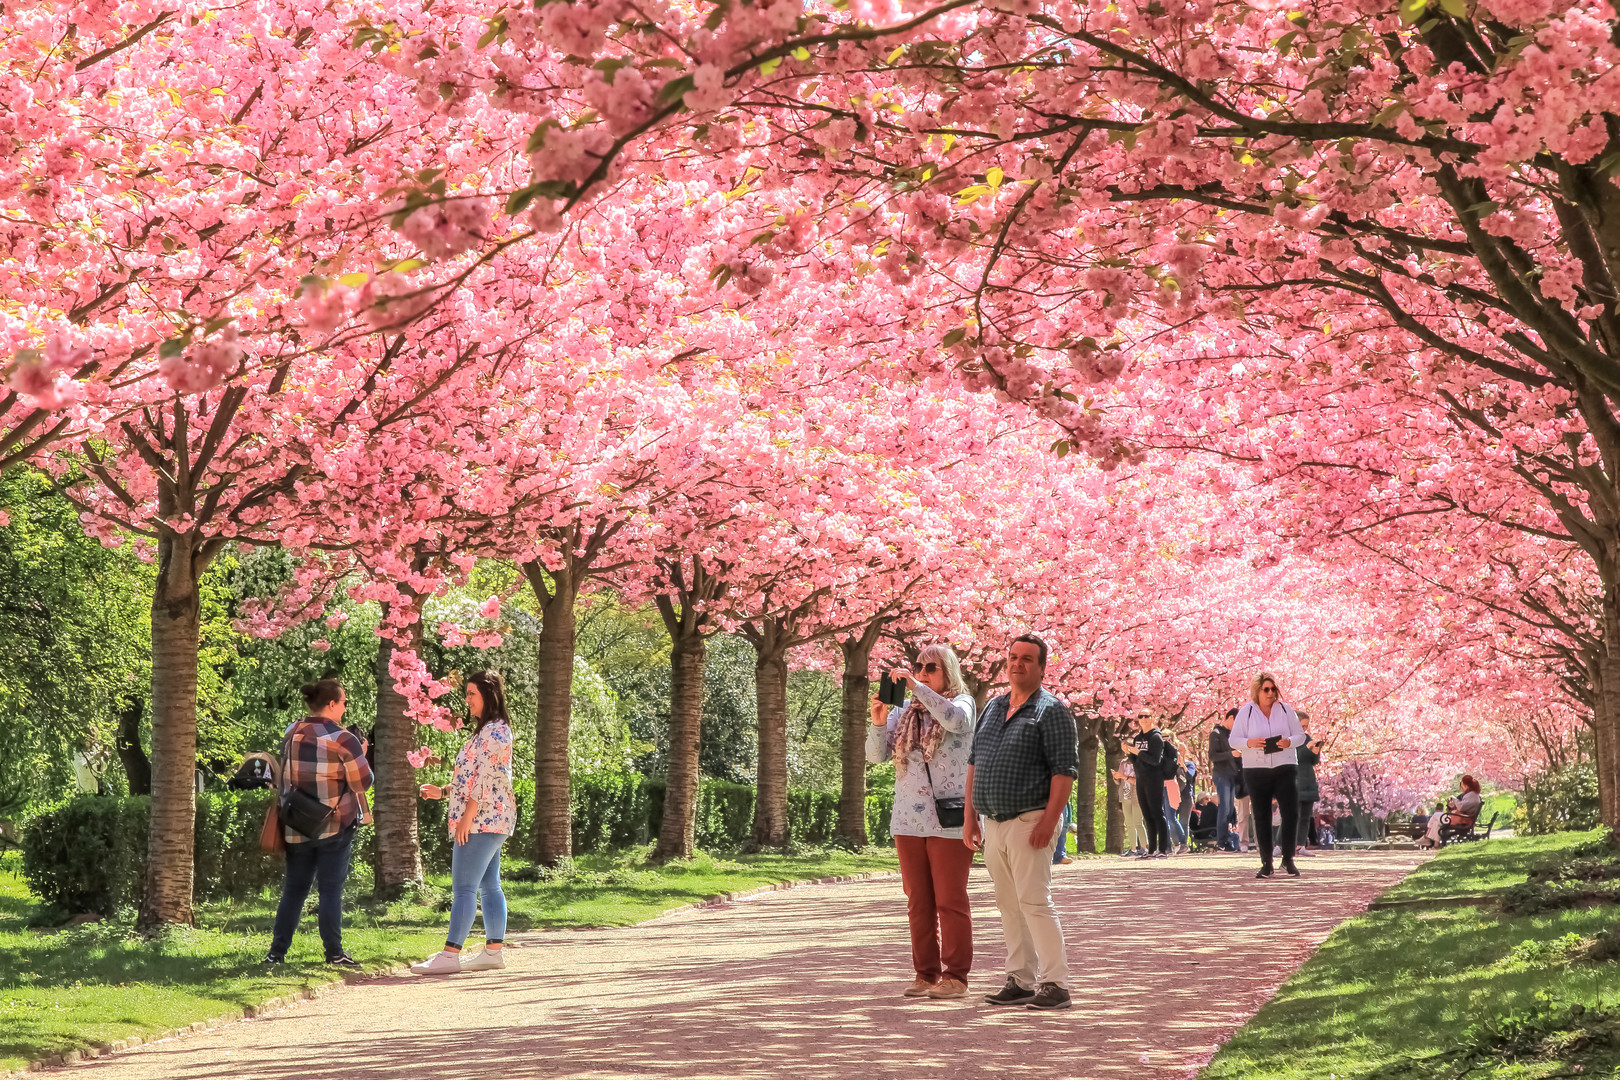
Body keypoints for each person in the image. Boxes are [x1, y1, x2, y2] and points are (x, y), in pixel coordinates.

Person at [963, 634, 1079, 1011]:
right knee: (1009, 905)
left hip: (1031, 820)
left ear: (1042, 668)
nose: (1017, 664)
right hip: (992, 822)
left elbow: (1064, 773)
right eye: (1013, 657)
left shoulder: (1051, 711)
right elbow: (974, 765)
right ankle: (1020, 979)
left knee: (1034, 902)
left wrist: (1049, 821)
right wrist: (970, 818)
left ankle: (1056, 983)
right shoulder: (994, 708)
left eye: (1027, 659)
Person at [866, 644, 977, 999]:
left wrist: (916, 687)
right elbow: (875, 756)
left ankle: (956, 976)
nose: (923, 672)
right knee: (918, 901)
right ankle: (925, 973)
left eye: (932, 667)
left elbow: (954, 721)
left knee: (950, 899)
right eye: (919, 666)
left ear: (949, 672)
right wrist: (880, 720)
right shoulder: (905, 712)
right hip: (907, 821)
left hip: (949, 819)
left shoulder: (962, 703)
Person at [411, 671, 518, 974]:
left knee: (464, 888)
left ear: (489, 695)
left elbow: (483, 782)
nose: (467, 699)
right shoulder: (487, 731)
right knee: (489, 885)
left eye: (472, 693)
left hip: (482, 819)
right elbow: (471, 776)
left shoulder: (495, 732)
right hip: (491, 818)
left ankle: (449, 955)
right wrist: (443, 791)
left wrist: (466, 820)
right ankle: (493, 952)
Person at [264, 680, 373, 966]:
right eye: (344, 702)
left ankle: (276, 953)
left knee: (294, 889)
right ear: (332, 704)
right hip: (333, 824)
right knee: (330, 889)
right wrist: (361, 751)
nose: (345, 707)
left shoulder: (292, 731)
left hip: (296, 822)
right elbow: (363, 782)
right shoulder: (344, 739)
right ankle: (334, 953)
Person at [1229, 671, 1307, 879]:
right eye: (1266, 689)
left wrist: (1290, 741)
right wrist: (1249, 743)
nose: (1271, 693)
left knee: (1291, 813)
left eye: (1273, 689)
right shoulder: (1246, 712)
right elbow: (1233, 740)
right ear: (1257, 691)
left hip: (1285, 766)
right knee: (1261, 816)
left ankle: (1288, 859)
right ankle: (1266, 863)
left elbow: (1301, 735)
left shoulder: (1285, 709)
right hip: (1256, 769)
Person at [1122, 713, 1172, 858]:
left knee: (1157, 813)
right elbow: (1137, 760)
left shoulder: (1156, 737)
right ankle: (1151, 850)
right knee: (1147, 815)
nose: (1143, 719)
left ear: (1152, 718)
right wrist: (1129, 753)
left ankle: (1162, 849)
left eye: (1146, 716)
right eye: (1140, 716)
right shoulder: (1137, 738)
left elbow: (1155, 760)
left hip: (1154, 778)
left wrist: (1138, 751)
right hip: (1141, 778)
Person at [1418, 775, 1484, 848]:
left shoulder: (1471, 795)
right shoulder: (1473, 795)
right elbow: (1463, 806)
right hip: (1462, 818)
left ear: (1466, 785)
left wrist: (1455, 800)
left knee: (1435, 816)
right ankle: (1435, 845)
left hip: (1462, 820)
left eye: (1462, 785)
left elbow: (1462, 807)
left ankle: (1427, 838)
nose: (1462, 788)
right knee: (1436, 822)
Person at [1210, 709, 1241, 851]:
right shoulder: (1215, 734)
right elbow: (1213, 756)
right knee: (1224, 808)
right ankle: (1221, 842)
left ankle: (1227, 839)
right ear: (1230, 718)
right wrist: (1231, 754)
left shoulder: (1233, 735)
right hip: (1221, 774)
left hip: (1232, 774)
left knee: (1229, 809)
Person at [1295, 722, 1321, 858]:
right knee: (1292, 816)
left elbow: (1313, 761)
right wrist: (1307, 748)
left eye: (1306, 726)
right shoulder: (1290, 738)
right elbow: (1295, 757)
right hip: (1294, 781)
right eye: (1302, 725)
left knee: (1305, 816)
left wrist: (1315, 753)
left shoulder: (1307, 738)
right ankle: (1280, 845)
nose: (1304, 729)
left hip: (1308, 781)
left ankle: (1300, 845)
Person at [1114, 762, 1149, 856]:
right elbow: (1118, 781)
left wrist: (1123, 776)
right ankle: (1133, 849)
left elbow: (1138, 781)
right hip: (1125, 796)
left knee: (1138, 823)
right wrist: (1116, 777)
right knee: (1129, 824)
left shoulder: (1139, 762)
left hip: (1137, 797)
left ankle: (1144, 848)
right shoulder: (1123, 763)